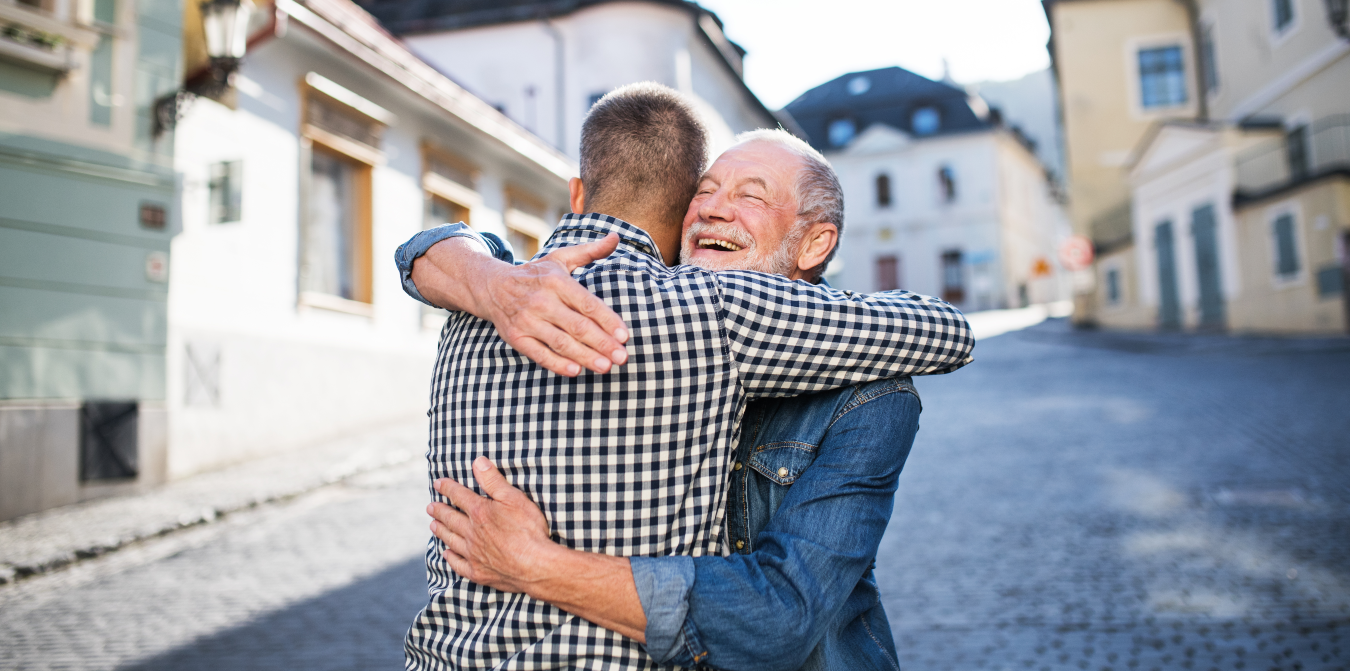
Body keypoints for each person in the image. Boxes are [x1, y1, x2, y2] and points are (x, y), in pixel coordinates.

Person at [395, 82, 973, 669]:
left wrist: (537, 565)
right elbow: (432, 249)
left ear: (815, 242)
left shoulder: (869, 395)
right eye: (702, 191)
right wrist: (490, 284)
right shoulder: (564, 295)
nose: (715, 208)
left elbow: (781, 615)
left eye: (751, 195)